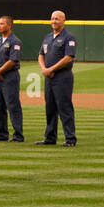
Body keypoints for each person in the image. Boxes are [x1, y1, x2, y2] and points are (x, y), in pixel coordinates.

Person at [37, 9, 77, 146]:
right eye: (52, 18)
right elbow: (41, 55)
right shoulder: (47, 37)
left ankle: (70, 139)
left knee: (64, 108)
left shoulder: (69, 37)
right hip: (49, 78)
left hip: (62, 77)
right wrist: (44, 70)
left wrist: (51, 69)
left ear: (63, 21)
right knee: (50, 108)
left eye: (57, 19)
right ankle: (50, 137)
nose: (54, 21)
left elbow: (68, 58)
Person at [0, 15, 24, 142]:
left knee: (12, 105)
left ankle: (18, 134)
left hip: (10, 77)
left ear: (9, 26)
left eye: (2, 24)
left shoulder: (15, 41)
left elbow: (12, 61)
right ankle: (2, 133)